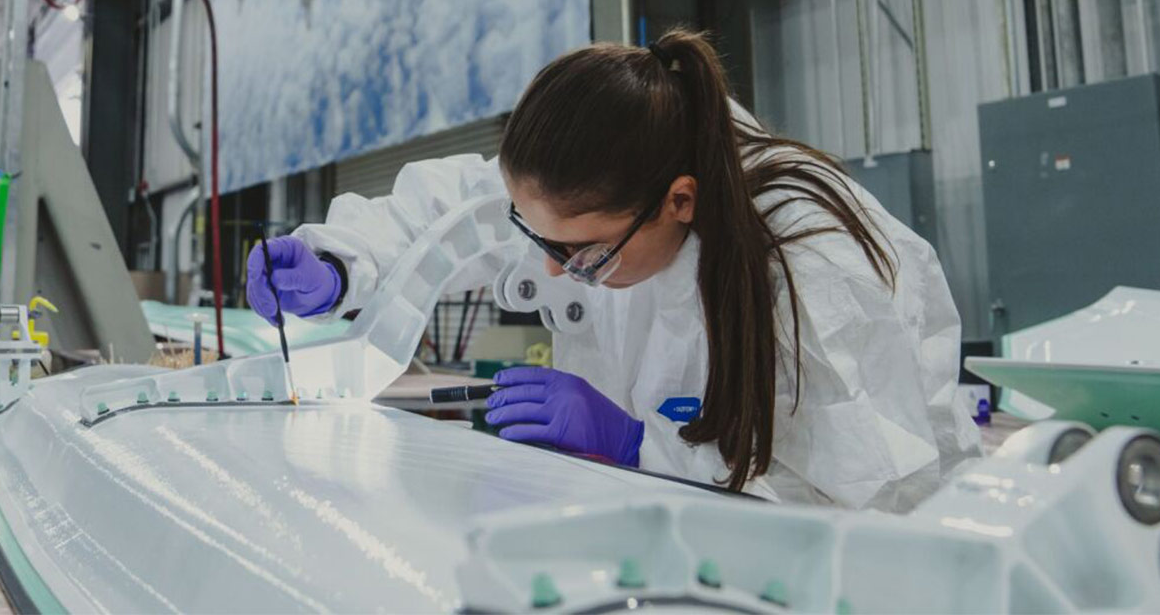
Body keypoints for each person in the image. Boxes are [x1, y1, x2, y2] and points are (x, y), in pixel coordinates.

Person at [246, 30, 979, 512]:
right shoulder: (597, 180)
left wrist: (639, 444)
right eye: (535, 236)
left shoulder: (813, 270)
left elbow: (864, 499)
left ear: (679, 202)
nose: (553, 268)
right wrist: (340, 262)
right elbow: (445, 212)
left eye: (581, 253)